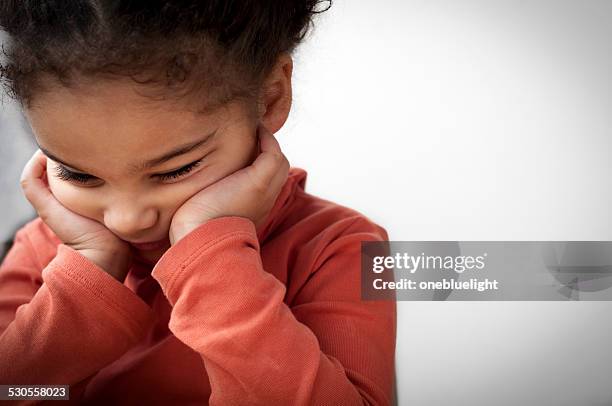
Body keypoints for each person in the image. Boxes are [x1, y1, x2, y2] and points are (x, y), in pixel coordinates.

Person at [0, 1, 397, 404]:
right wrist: (86, 280)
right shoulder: (41, 251)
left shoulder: (344, 247)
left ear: (271, 97)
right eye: (78, 174)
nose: (128, 219)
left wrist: (211, 258)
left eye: (175, 170)